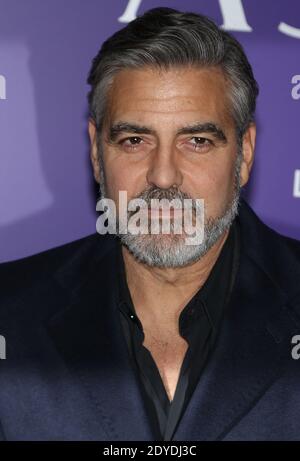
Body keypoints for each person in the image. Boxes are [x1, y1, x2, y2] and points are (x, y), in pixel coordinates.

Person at [0, 7, 299, 441]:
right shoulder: (10, 314)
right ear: (97, 151)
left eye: (197, 141)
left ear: (244, 152)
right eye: (134, 140)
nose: (163, 175)